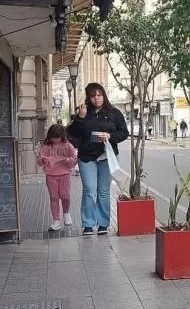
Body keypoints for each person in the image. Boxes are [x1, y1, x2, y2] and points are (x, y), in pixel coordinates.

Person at [67, 83, 129, 236]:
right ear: (89, 97)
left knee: (103, 191)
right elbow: (72, 133)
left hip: (107, 156)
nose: (97, 98)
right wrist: (80, 118)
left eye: (99, 94)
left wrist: (110, 136)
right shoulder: (83, 112)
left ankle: (103, 223)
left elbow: (124, 132)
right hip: (87, 157)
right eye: (93, 95)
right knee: (89, 190)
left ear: (104, 95)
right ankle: (88, 224)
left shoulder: (114, 113)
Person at [37, 124, 77, 231]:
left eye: (57, 137)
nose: (54, 140)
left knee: (65, 196)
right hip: (51, 175)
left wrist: (68, 161)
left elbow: (74, 158)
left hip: (65, 174)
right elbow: (39, 160)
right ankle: (56, 220)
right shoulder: (46, 147)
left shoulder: (68, 146)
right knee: (53, 197)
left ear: (62, 136)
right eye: (52, 137)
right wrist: (43, 160)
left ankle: (66, 213)